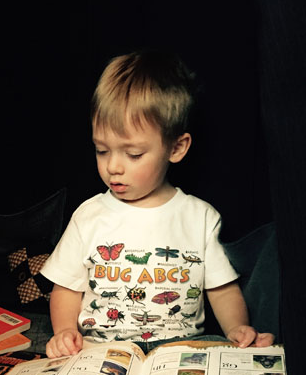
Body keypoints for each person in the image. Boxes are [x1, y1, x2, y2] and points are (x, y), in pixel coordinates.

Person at [41, 49, 274, 358]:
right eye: (101, 150)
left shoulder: (200, 217)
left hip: (181, 351)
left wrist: (237, 329)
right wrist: (64, 331)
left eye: (133, 154)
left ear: (176, 148)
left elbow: (222, 289)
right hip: (102, 351)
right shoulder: (88, 216)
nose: (113, 167)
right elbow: (67, 289)